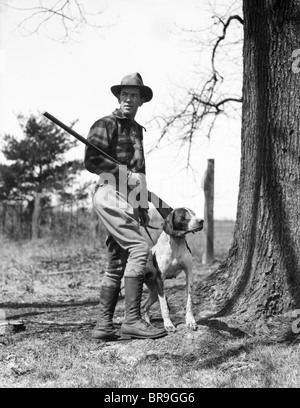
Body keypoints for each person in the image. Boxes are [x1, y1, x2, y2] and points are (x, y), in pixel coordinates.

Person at [84, 73, 167, 341]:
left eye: (134, 95)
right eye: (124, 95)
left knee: (118, 261)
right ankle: (132, 320)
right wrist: (122, 174)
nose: (128, 99)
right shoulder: (105, 124)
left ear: (142, 100)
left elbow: (139, 174)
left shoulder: (136, 130)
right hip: (109, 191)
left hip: (129, 199)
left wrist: (141, 204)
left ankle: (104, 326)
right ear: (118, 98)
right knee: (140, 248)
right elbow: (92, 160)